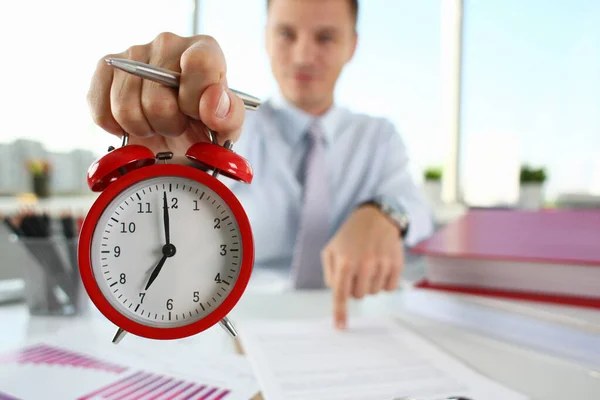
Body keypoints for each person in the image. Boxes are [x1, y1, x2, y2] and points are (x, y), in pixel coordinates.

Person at [87, 0, 434, 330]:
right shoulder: (216, 129)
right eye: (286, 34)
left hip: (353, 322)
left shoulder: (379, 137)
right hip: (240, 323)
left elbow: (417, 210)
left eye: (325, 37)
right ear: (266, 36)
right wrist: (164, 171)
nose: (303, 56)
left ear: (352, 45)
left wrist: (385, 212)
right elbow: (169, 240)